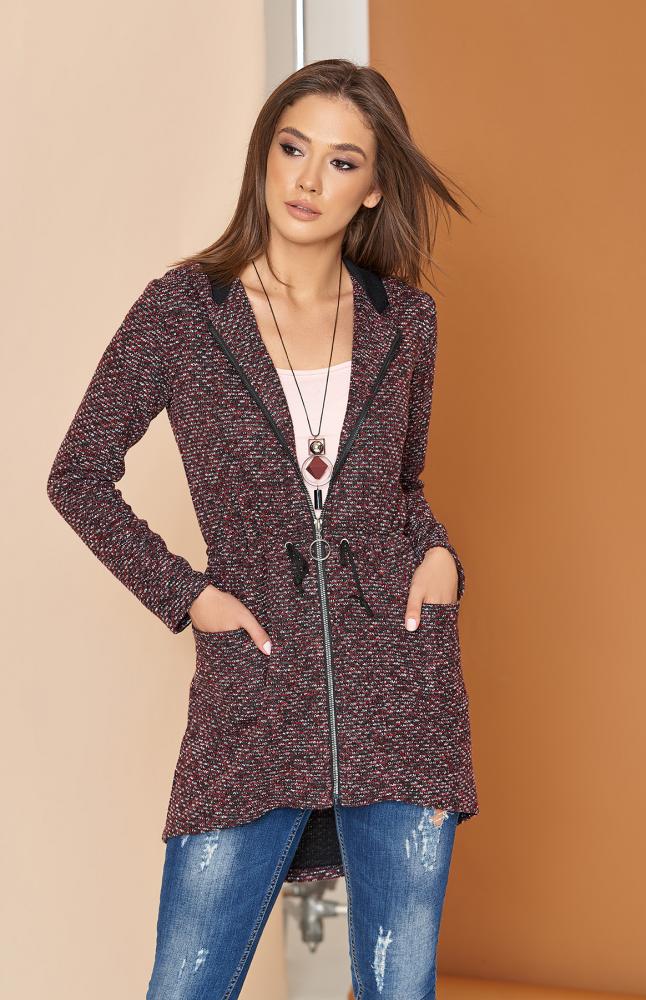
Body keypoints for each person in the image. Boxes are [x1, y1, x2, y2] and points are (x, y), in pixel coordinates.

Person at [47, 58, 479, 1000]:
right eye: (293, 148)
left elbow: (399, 486)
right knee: (187, 983)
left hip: (402, 687)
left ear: (373, 190)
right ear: (264, 156)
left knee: (398, 986)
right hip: (254, 689)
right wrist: (187, 594)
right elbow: (75, 475)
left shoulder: (406, 322)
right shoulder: (182, 312)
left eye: (341, 162)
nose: (308, 180)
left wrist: (441, 555)